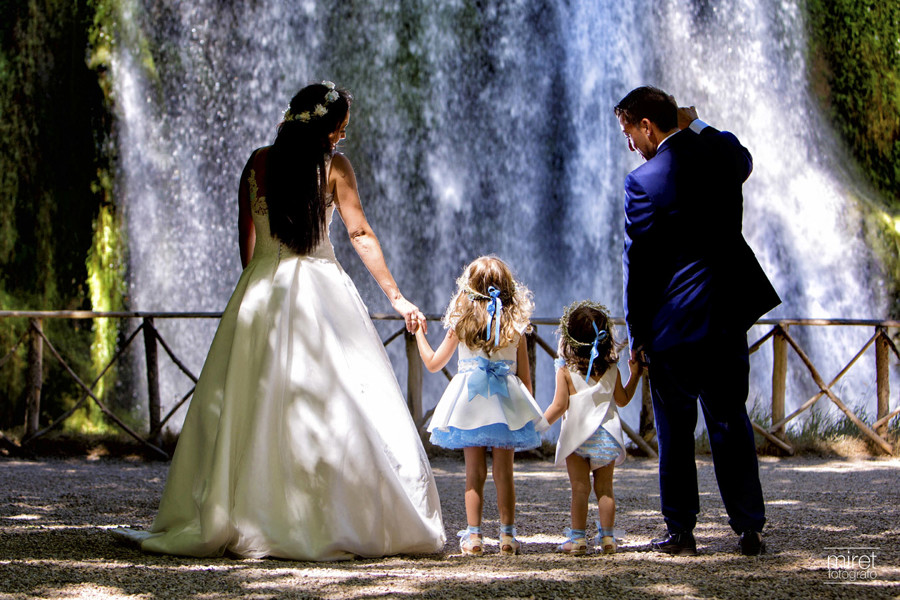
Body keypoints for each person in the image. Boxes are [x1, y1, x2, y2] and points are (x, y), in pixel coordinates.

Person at [115, 81, 445, 560]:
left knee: (251, 404)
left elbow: (246, 241)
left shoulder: (257, 163)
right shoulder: (334, 167)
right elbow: (359, 232)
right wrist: (396, 297)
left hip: (261, 290)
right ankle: (331, 515)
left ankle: (246, 511)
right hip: (320, 288)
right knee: (338, 404)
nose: (340, 140)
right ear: (329, 129)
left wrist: (254, 292)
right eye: (341, 131)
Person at [613, 86, 780, 556]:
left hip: (673, 326)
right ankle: (749, 529)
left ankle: (681, 531)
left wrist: (637, 332)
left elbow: (639, 266)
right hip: (725, 316)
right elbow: (743, 156)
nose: (630, 145)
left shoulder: (644, 182)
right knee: (730, 420)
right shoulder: (720, 155)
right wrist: (697, 123)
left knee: (674, 430)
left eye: (629, 132)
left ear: (647, 126)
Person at [414, 256, 547, 556]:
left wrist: (419, 333)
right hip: (505, 404)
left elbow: (434, 363)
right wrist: (524, 410)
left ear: (469, 287)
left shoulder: (460, 324)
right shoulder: (516, 326)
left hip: (470, 404)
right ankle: (508, 537)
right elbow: (525, 380)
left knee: (473, 472)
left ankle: (474, 537)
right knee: (505, 472)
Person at [542, 301, 642, 555]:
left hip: (577, 437)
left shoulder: (565, 371)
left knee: (579, 488)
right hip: (606, 436)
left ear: (570, 339)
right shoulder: (611, 368)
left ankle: (577, 540)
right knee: (605, 489)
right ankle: (608, 539)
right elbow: (622, 399)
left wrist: (538, 425)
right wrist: (636, 375)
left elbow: (558, 406)